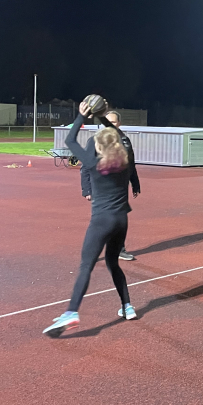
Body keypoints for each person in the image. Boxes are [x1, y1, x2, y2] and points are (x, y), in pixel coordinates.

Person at [44, 101, 137, 337]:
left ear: (98, 146)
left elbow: (70, 141)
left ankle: (71, 312)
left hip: (102, 221)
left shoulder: (93, 163)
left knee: (86, 265)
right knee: (113, 263)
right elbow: (119, 135)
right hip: (121, 221)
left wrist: (81, 116)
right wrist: (102, 116)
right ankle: (127, 305)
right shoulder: (125, 160)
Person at [81, 109, 139, 261]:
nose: (110, 124)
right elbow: (85, 167)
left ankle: (119, 249)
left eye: (113, 122)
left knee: (119, 219)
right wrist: (87, 189)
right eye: (108, 121)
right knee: (100, 221)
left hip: (120, 188)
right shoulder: (95, 141)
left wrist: (135, 183)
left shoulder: (124, 141)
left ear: (119, 123)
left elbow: (130, 164)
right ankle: (92, 253)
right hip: (101, 188)